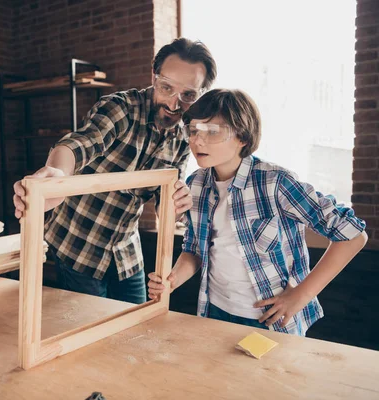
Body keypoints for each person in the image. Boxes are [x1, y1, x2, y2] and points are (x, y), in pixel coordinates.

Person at [13, 38, 217, 304]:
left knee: (138, 324)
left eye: (188, 95)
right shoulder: (121, 108)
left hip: (125, 250)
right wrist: (57, 177)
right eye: (166, 87)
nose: (174, 104)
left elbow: (163, 203)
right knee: (90, 331)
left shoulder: (183, 137)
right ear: (153, 78)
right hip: (79, 242)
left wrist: (177, 203)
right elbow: (80, 143)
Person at [147, 88, 368, 335]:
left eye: (212, 131)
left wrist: (301, 295)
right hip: (214, 312)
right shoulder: (195, 184)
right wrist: (172, 280)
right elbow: (194, 251)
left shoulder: (275, 182)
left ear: (242, 137)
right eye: (194, 130)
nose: (197, 140)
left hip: (271, 320)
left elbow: (353, 235)